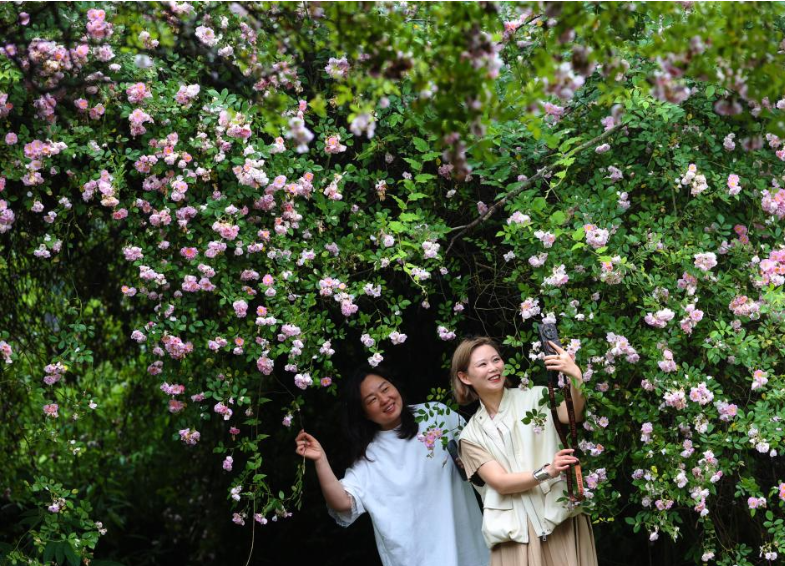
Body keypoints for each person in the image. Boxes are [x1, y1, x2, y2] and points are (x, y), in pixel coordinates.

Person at [295, 364, 490, 566]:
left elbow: (481, 453)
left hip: (468, 549)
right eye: (372, 399)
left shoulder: (435, 415)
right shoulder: (370, 457)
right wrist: (320, 459)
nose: (384, 399)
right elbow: (343, 503)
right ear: (364, 413)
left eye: (385, 388)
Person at [451, 336, 598, 566]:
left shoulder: (536, 396)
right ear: (465, 377)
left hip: (561, 520)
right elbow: (500, 482)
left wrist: (575, 377)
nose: (493, 368)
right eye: (482, 364)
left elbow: (573, 415)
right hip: (515, 539)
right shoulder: (470, 436)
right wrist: (547, 471)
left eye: (496, 360)